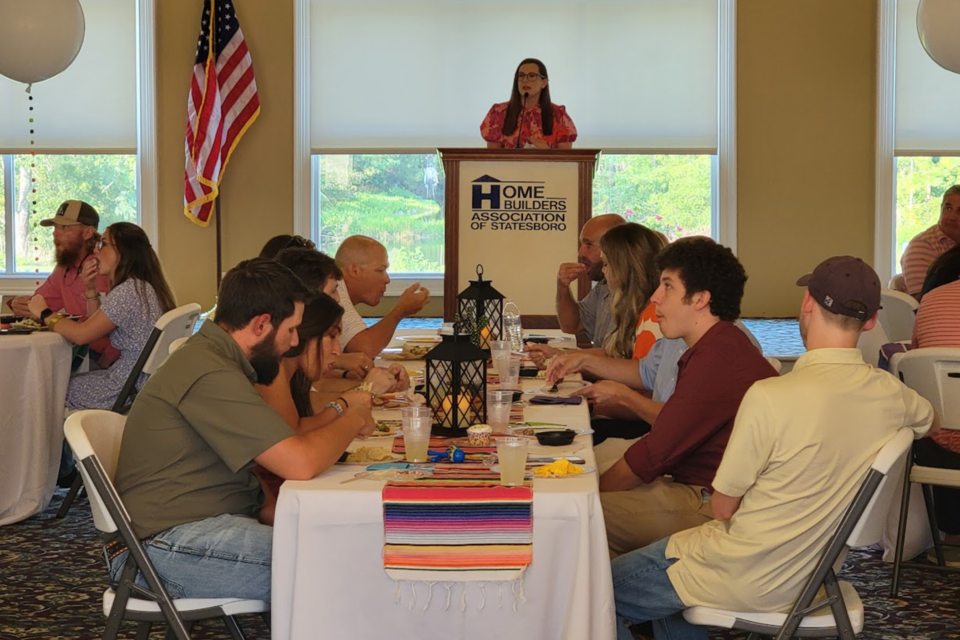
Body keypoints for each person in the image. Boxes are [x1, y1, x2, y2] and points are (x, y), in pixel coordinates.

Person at [610, 255, 937, 640]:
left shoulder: (769, 397)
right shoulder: (893, 395)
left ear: (807, 304)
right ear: (870, 322)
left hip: (741, 572)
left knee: (586, 590)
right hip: (814, 573)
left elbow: (722, 507)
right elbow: (928, 420)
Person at [110, 258, 377, 601]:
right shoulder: (208, 372)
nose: (294, 343)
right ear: (262, 324)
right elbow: (300, 462)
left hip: (188, 529)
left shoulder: (217, 360)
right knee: (339, 561)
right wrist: (354, 417)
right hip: (162, 547)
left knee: (344, 546)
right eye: (292, 330)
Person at [584, 237, 777, 555]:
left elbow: (653, 453)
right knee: (581, 488)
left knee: (574, 517)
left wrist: (586, 495)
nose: (656, 298)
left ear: (700, 299)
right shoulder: (714, 346)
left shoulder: (718, 359)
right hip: (693, 483)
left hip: (711, 502)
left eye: (667, 287)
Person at [254, 293, 408, 525]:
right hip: (273, 499)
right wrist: (352, 411)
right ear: (305, 333)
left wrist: (346, 403)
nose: (337, 350)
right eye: (331, 336)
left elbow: (300, 424)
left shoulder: (291, 372)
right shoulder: (273, 372)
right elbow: (295, 436)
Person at [27, 222, 176, 410]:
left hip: (123, 387)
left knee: (47, 387)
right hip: (138, 383)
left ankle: (53, 439)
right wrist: (90, 288)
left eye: (103, 244)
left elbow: (81, 335)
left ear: (123, 251)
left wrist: (45, 313)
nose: (96, 252)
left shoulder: (128, 292)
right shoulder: (142, 287)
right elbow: (99, 330)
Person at [7, 199, 118, 367]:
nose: (55, 233)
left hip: (103, 359)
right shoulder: (64, 268)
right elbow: (39, 304)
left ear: (87, 232)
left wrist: (106, 361)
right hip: (78, 351)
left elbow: (125, 325)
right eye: (55, 227)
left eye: (65, 227)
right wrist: (16, 304)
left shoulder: (103, 267)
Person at [335, 235, 431, 358]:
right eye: (380, 270)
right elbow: (364, 349)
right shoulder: (335, 292)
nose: (387, 279)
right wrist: (400, 311)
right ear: (354, 270)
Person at [599, 222, 666, 360]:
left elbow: (642, 375)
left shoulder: (653, 316)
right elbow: (613, 353)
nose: (602, 271)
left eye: (606, 264)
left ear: (624, 269)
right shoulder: (636, 307)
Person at [480, 58, 578, 150]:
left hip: (546, 168)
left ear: (543, 83)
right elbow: (492, 159)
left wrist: (547, 153)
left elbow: (566, 162)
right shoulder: (499, 113)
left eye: (532, 76)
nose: (525, 80)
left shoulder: (558, 115)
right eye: (521, 76)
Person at [901, 185, 960, 300]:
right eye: (948, 208)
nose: (952, 217)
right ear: (941, 208)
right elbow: (923, 300)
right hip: (938, 313)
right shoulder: (921, 245)